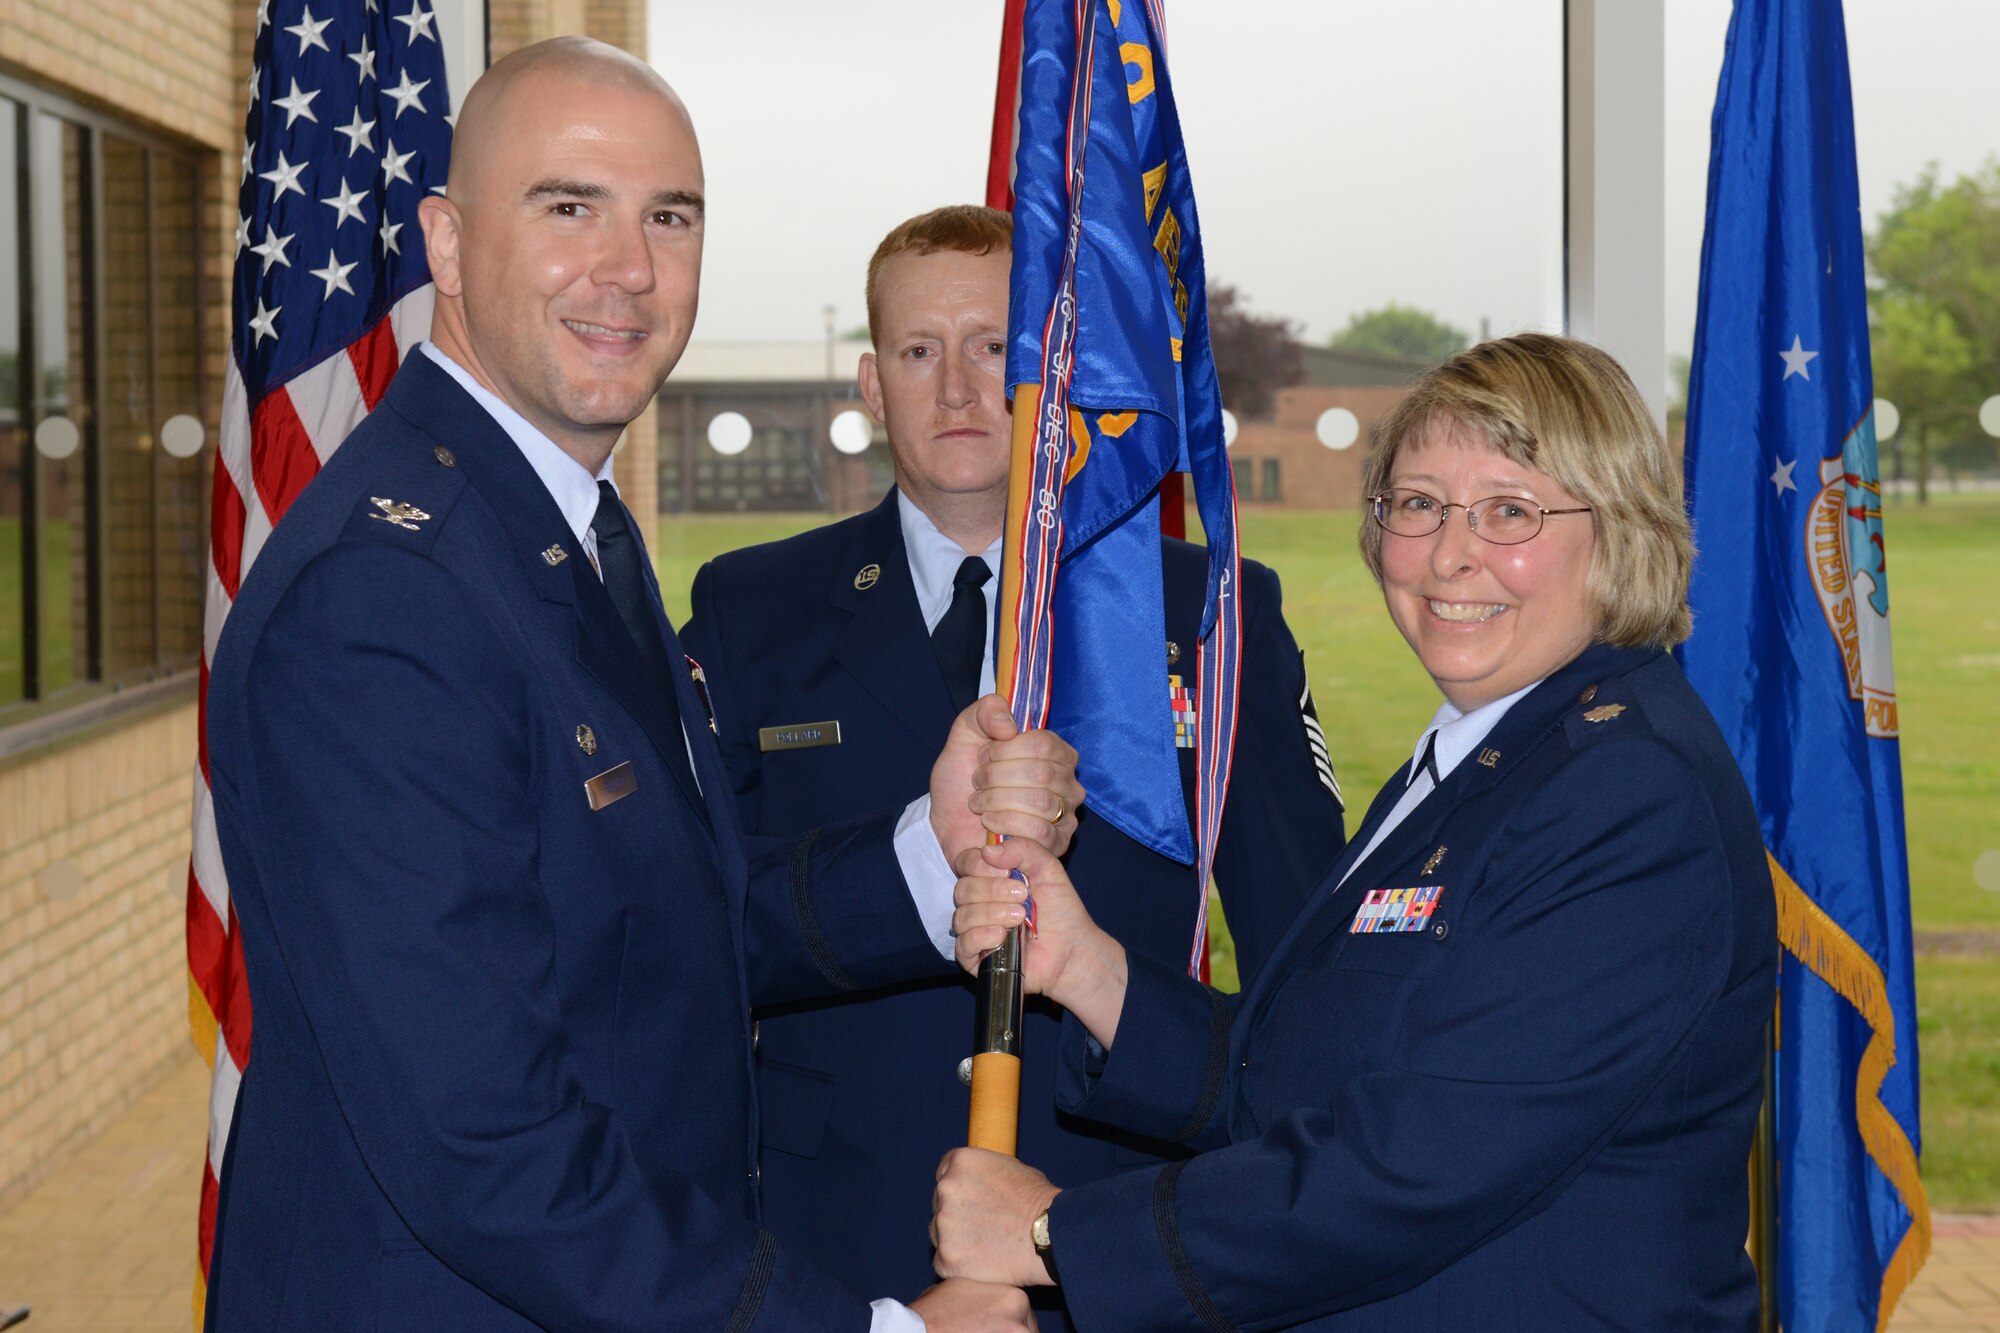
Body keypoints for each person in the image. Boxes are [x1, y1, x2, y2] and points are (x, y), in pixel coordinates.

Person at [201, 39, 1072, 1332]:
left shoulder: (561, 530)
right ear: (446, 243)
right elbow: (486, 1142)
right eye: (569, 208)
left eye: (669, 217)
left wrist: (923, 854)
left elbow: (653, 922)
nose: (628, 269)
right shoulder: (386, 596)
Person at [935, 333, 1779, 1330]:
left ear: (1621, 530)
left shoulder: (1626, 791)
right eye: (1418, 503)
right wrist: (1087, 969)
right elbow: (1305, 1072)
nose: (1449, 554)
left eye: (1510, 510)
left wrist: (1053, 1233)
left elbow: (1419, 1161)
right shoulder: (1489, 751)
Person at [679, 204, 1346, 1324]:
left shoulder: (1204, 614)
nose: (957, 389)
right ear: (870, 384)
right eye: (918, 350)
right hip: (834, 1234)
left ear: (1053, 375)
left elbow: (1307, 967)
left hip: (1116, 1221)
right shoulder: (751, 611)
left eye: (995, 347)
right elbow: (695, 923)